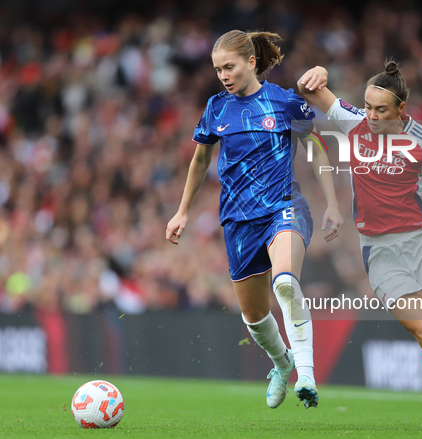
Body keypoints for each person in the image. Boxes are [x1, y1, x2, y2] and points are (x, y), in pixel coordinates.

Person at [296, 61, 422, 429]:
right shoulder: (352, 121)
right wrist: (319, 72)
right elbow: (307, 89)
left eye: (380, 110)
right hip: (380, 251)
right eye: (368, 106)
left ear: (401, 110)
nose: (371, 116)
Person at [166, 30, 343, 409]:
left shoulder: (284, 102)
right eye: (217, 70)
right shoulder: (216, 108)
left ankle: (307, 376)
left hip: (284, 206)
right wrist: (182, 211)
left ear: (250, 62)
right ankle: (283, 363)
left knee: (285, 283)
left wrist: (332, 202)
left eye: (229, 67)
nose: (223, 75)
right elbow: (199, 160)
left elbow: (317, 148)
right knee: (254, 315)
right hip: (238, 219)